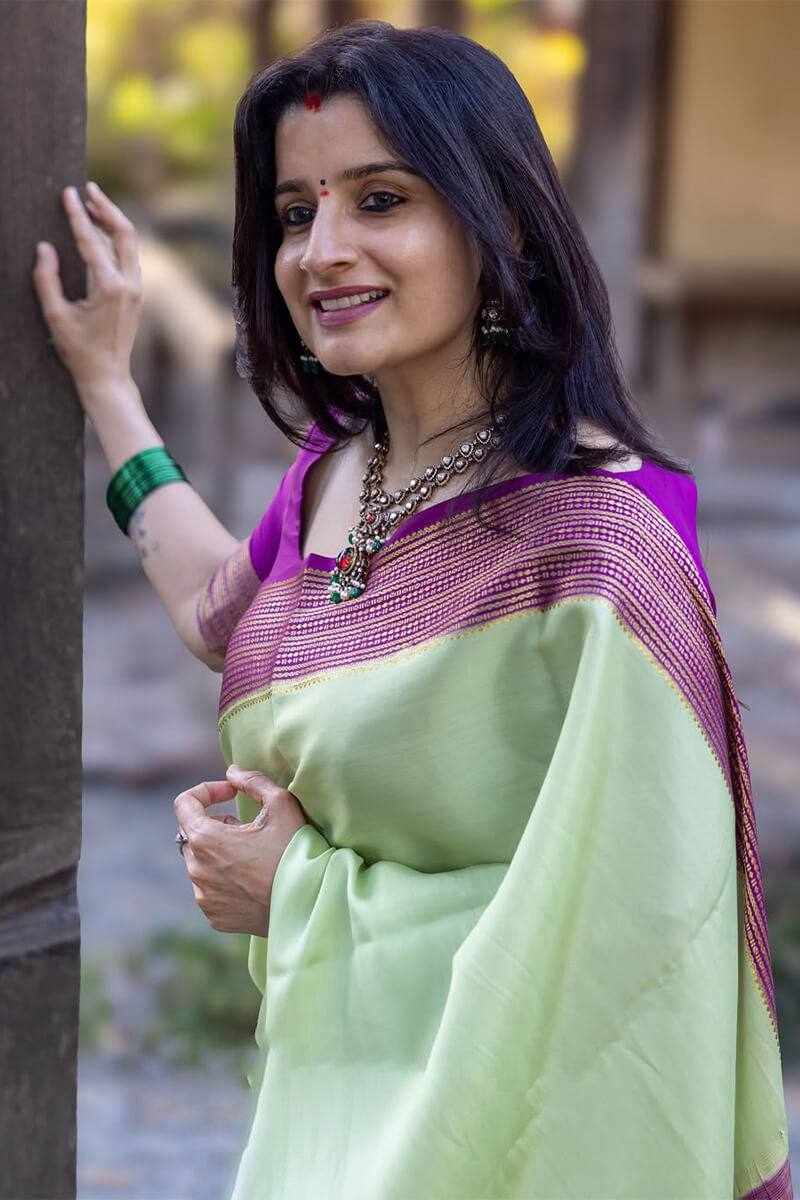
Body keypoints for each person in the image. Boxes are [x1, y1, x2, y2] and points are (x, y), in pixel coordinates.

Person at [32, 18, 793, 1200]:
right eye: (295, 213)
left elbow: (637, 934)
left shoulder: (600, 542)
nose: (321, 251)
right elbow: (218, 616)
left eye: (379, 200)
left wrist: (296, 896)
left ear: (502, 225)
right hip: (329, 1120)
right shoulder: (341, 470)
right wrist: (106, 383)